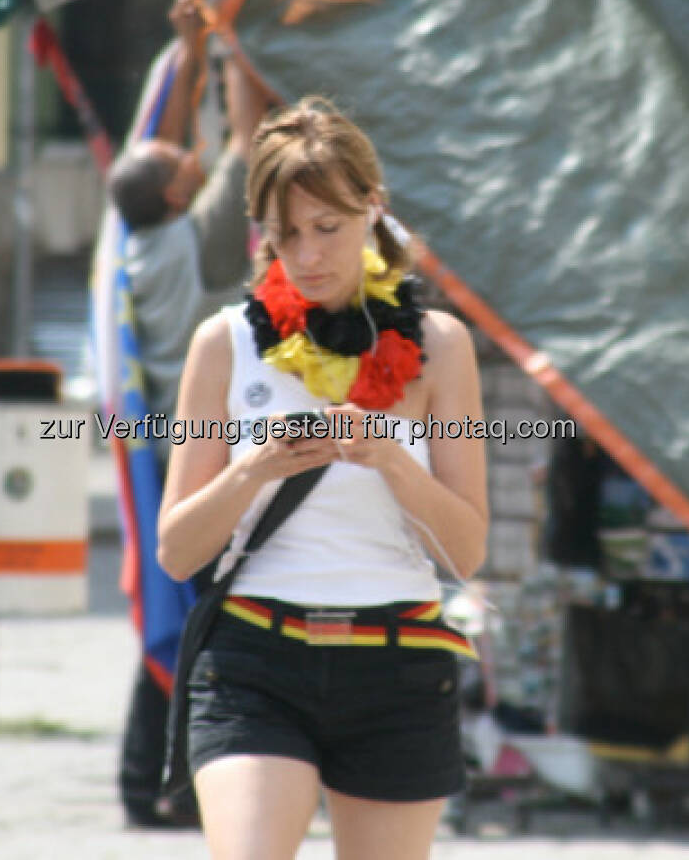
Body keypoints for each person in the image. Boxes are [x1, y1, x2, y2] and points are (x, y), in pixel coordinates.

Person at [156, 96, 489, 859]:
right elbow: (176, 552)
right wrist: (253, 469)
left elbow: (465, 552)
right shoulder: (224, 344)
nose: (307, 256)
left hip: (398, 664)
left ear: (373, 210)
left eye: (327, 228)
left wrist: (391, 460)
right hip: (254, 661)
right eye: (285, 235)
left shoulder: (441, 347)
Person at [109, 0, 277, 828]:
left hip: (173, 436)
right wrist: (242, 42)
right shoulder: (196, 240)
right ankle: (158, 781)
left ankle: (152, 779)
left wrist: (190, 55)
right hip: (203, 444)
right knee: (205, 617)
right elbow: (246, 142)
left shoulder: (137, 240)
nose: (194, 158)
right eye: (186, 168)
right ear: (180, 196)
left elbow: (157, 148)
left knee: (187, 611)